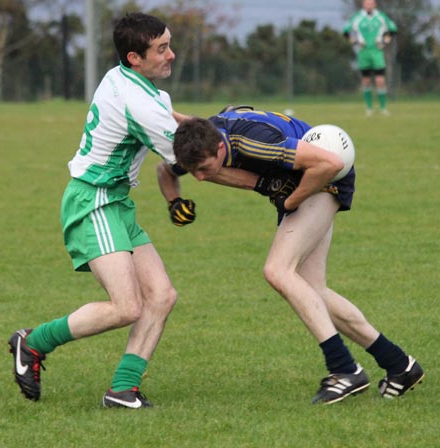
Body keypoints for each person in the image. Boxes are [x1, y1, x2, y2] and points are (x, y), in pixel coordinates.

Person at [157, 108, 424, 404]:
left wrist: (290, 201)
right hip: (301, 181)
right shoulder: (197, 143)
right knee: (312, 291)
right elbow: (165, 171)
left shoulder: (253, 142)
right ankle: (400, 365)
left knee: (278, 271)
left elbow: (330, 163)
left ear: (220, 147)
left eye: (205, 169)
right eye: (192, 170)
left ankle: (344, 370)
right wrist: (174, 201)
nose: (199, 177)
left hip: (322, 180)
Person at [8, 12, 198, 409]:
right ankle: (34, 342)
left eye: (169, 44)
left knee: (161, 295)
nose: (172, 55)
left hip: (115, 202)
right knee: (126, 306)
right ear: (134, 57)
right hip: (93, 200)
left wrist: (217, 123)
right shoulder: (137, 100)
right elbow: (192, 157)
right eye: (161, 49)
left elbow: (175, 120)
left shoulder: (126, 81)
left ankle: (122, 390)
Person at [343, 0, 398, 116]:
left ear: (374, 5)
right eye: (366, 3)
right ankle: (369, 108)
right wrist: (355, 43)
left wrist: (384, 42)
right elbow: (346, 32)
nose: (369, 6)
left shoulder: (381, 17)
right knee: (366, 81)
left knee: (380, 81)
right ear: (363, 5)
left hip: (377, 52)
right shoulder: (357, 17)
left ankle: (383, 108)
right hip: (363, 53)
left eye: (371, 3)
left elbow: (393, 30)